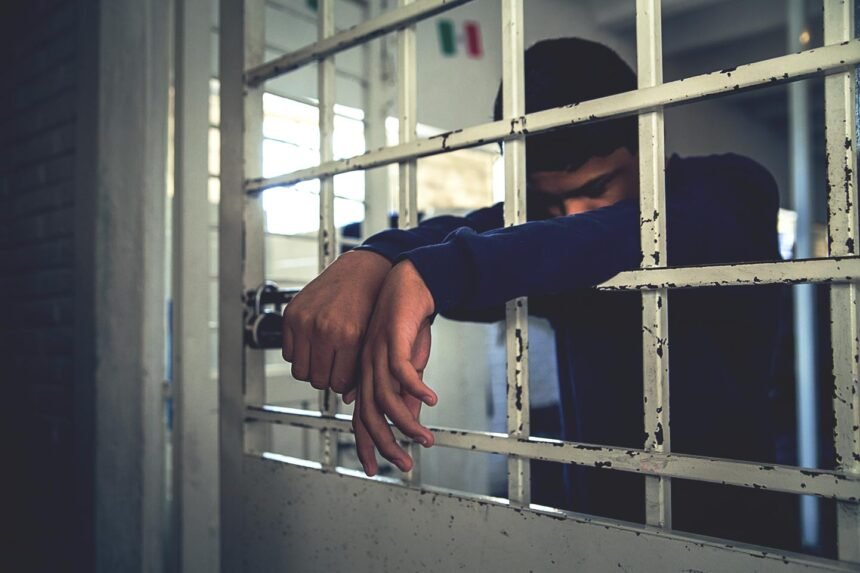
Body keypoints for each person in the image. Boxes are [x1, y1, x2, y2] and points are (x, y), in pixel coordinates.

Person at [282, 38, 796, 549]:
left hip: (737, 533)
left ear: (650, 141)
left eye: (597, 188)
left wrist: (430, 272)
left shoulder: (732, 189)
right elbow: (479, 231)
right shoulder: (546, 237)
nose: (570, 215)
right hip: (594, 530)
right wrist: (370, 259)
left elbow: (630, 232)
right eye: (549, 202)